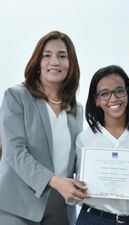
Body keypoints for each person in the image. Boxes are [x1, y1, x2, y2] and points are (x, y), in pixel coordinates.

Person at [0, 31, 89, 225]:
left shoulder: (76, 108)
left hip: (60, 207)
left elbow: (75, 159)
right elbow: (14, 151)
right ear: (37, 63)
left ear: (71, 64)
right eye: (47, 55)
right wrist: (55, 181)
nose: (54, 62)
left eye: (62, 56)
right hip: (18, 205)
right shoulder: (16, 97)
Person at [75, 65, 129, 225]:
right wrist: (75, 193)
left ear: (128, 93)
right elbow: (76, 187)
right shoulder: (85, 139)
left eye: (119, 90)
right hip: (92, 219)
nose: (113, 98)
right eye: (105, 94)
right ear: (96, 100)